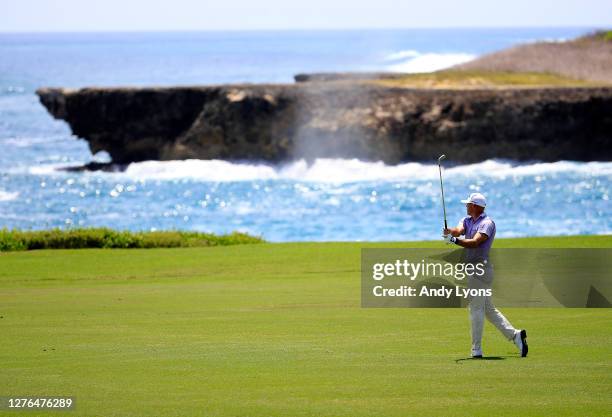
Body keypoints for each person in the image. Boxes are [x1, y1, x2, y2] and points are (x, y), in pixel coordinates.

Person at [443, 192, 528, 358]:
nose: (466, 206)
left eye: (468, 204)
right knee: (488, 309)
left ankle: (476, 349)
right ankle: (515, 335)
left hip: (481, 270)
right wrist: (450, 232)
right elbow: (458, 230)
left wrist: (454, 241)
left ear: (475, 206)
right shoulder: (467, 220)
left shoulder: (487, 223)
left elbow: (475, 242)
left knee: (475, 308)